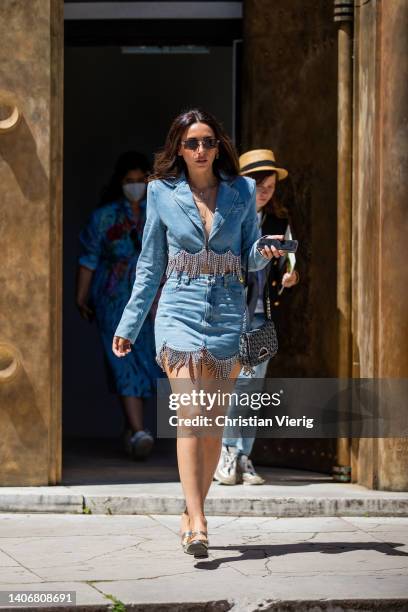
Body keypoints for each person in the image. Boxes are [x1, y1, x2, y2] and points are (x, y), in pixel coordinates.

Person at [112, 110, 285, 557]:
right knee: (191, 416)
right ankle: (200, 522)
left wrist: (263, 254)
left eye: (208, 142)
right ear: (179, 149)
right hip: (179, 311)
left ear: (218, 145)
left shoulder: (241, 191)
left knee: (211, 425)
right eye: (192, 143)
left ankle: (192, 510)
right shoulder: (160, 193)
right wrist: (130, 323)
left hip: (228, 314)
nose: (201, 150)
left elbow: (248, 254)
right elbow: (150, 265)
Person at [214, 149, 300, 485]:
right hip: (228, 313)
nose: (265, 191)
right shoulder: (227, 218)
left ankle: (241, 455)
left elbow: (290, 264)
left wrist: (290, 275)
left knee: (251, 387)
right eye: (259, 184)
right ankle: (225, 451)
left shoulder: (279, 223)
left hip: (261, 315)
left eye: (270, 186)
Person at [76, 151, 161, 460]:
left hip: (151, 302)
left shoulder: (159, 212)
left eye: (141, 181)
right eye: (129, 181)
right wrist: (81, 297)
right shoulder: (105, 217)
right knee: (122, 361)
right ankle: (139, 431)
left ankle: (133, 429)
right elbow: (89, 258)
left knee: (145, 365)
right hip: (113, 299)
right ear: (119, 183)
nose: (136, 187)